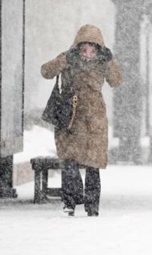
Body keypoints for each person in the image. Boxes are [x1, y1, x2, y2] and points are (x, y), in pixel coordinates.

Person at [41, 24, 122, 217]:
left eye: (92, 50)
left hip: (94, 118)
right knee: (69, 160)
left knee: (94, 164)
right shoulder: (67, 57)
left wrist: (110, 62)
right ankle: (70, 201)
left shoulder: (104, 62)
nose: (88, 54)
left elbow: (116, 81)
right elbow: (46, 71)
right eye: (84, 49)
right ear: (78, 47)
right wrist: (64, 61)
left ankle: (92, 205)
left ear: (98, 50)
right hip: (70, 115)